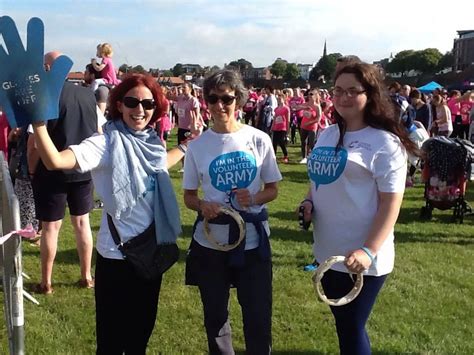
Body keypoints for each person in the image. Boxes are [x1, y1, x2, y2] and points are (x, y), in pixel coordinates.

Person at [32, 73, 186, 353]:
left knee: (140, 337)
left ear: (156, 108)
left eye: (148, 104)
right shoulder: (105, 144)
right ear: (119, 105)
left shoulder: (152, 142)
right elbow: (55, 161)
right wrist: (39, 124)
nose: (140, 110)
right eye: (132, 102)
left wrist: (186, 146)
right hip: (117, 256)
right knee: (112, 341)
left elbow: (161, 164)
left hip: (150, 252)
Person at [298, 62, 418, 354]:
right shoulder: (327, 134)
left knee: (351, 326)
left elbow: (391, 204)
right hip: (328, 251)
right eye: (338, 90)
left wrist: (368, 250)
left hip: (363, 258)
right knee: (344, 325)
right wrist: (308, 201)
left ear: (370, 94)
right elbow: (318, 178)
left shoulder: (384, 143)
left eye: (353, 91)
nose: (344, 97)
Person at [183, 69, 281, 354]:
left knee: (258, 316)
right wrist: (203, 205)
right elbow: (189, 196)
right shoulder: (198, 147)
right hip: (211, 243)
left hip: (252, 243)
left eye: (226, 98)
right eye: (212, 99)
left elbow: (273, 189)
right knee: (215, 317)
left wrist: (254, 197)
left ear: (238, 100)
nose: (219, 106)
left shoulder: (258, 139)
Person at [30, 51, 99, 294]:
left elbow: (36, 141)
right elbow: (98, 129)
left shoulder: (44, 96)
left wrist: (30, 169)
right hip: (82, 166)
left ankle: (46, 282)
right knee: (83, 224)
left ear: (48, 69)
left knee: (51, 228)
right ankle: (86, 276)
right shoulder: (87, 93)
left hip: (54, 168)